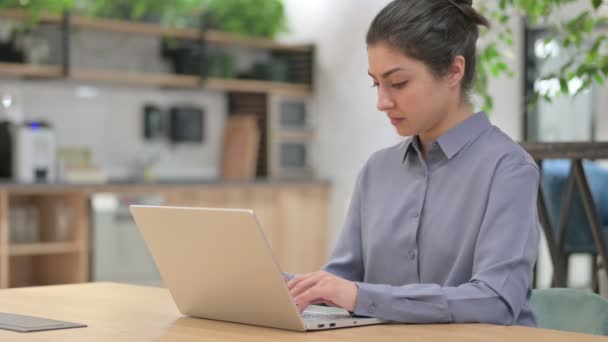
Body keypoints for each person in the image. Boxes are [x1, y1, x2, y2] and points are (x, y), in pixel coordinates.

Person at [287, 0, 540, 326]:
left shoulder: (509, 169)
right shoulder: (377, 170)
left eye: (399, 83)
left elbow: (494, 301)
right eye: (376, 83)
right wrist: (284, 286)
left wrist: (362, 296)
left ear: (453, 70)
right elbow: (341, 280)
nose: (382, 102)